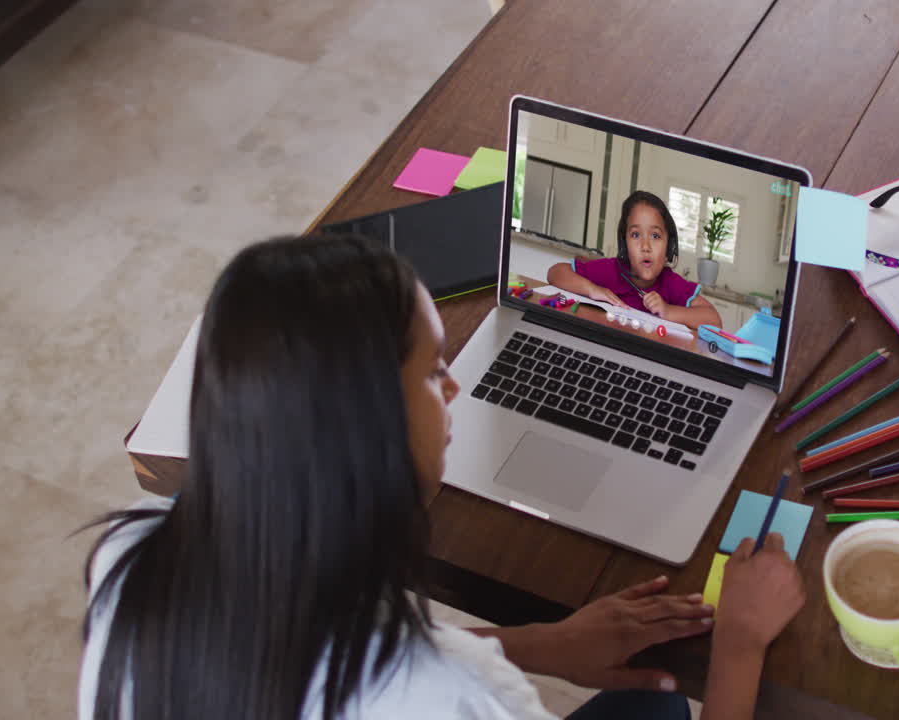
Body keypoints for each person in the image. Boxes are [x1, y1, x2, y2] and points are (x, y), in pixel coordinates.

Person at [79, 234, 804, 720]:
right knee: (664, 703)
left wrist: (541, 644)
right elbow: (421, 680)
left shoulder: (132, 555)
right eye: (432, 371)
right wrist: (739, 646)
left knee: (651, 703)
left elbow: (330, 655)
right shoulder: (453, 700)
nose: (455, 384)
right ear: (369, 433)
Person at [547, 191, 722, 329]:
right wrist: (593, 290)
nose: (645, 246)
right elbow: (556, 272)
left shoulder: (671, 283)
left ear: (669, 245)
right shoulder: (611, 270)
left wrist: (668, 311)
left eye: (655, 236)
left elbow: (714, 320)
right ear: (625, 243)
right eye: (636, 235)